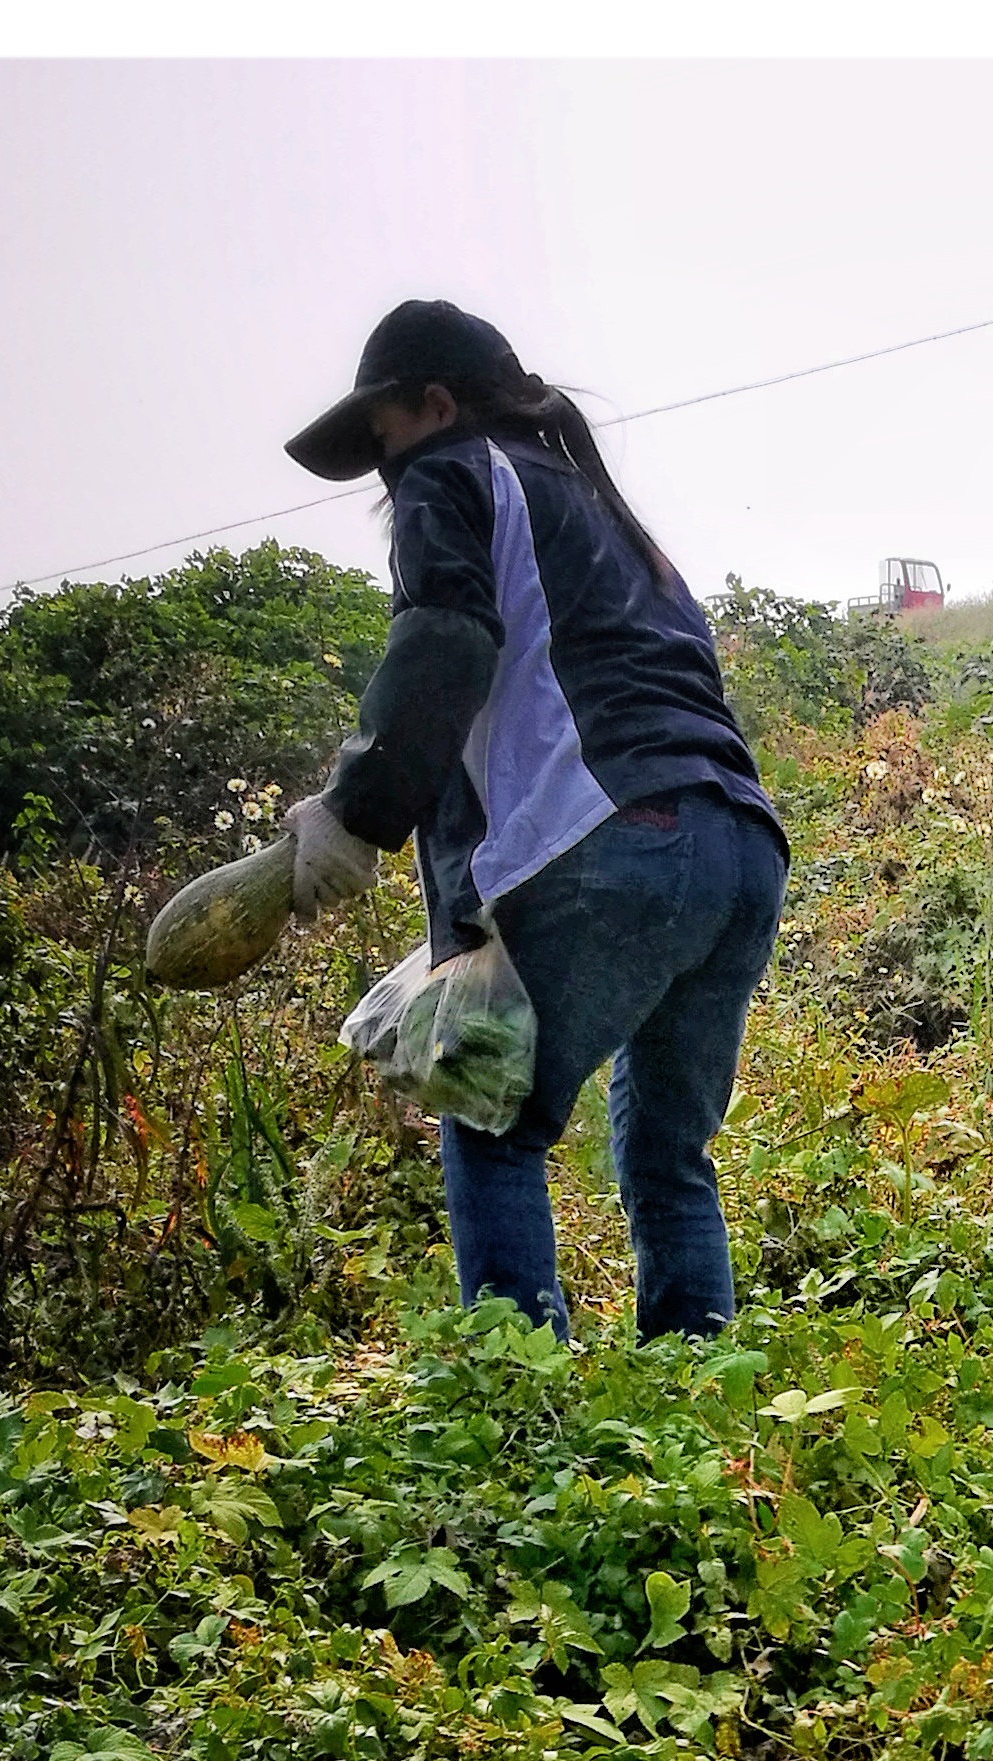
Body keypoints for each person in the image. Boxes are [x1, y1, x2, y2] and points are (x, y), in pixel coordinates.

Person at [279, 299, 788, 1343]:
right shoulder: (605, 513)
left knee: (486, 1112)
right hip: (739, 847)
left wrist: (355, 813)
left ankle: (514, 1407)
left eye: (383, 442)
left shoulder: (454, 474)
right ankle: (700, 1394)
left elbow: (445, 645)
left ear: (434, 404)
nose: (387, 474)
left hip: (615, 841)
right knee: (665, 1154)